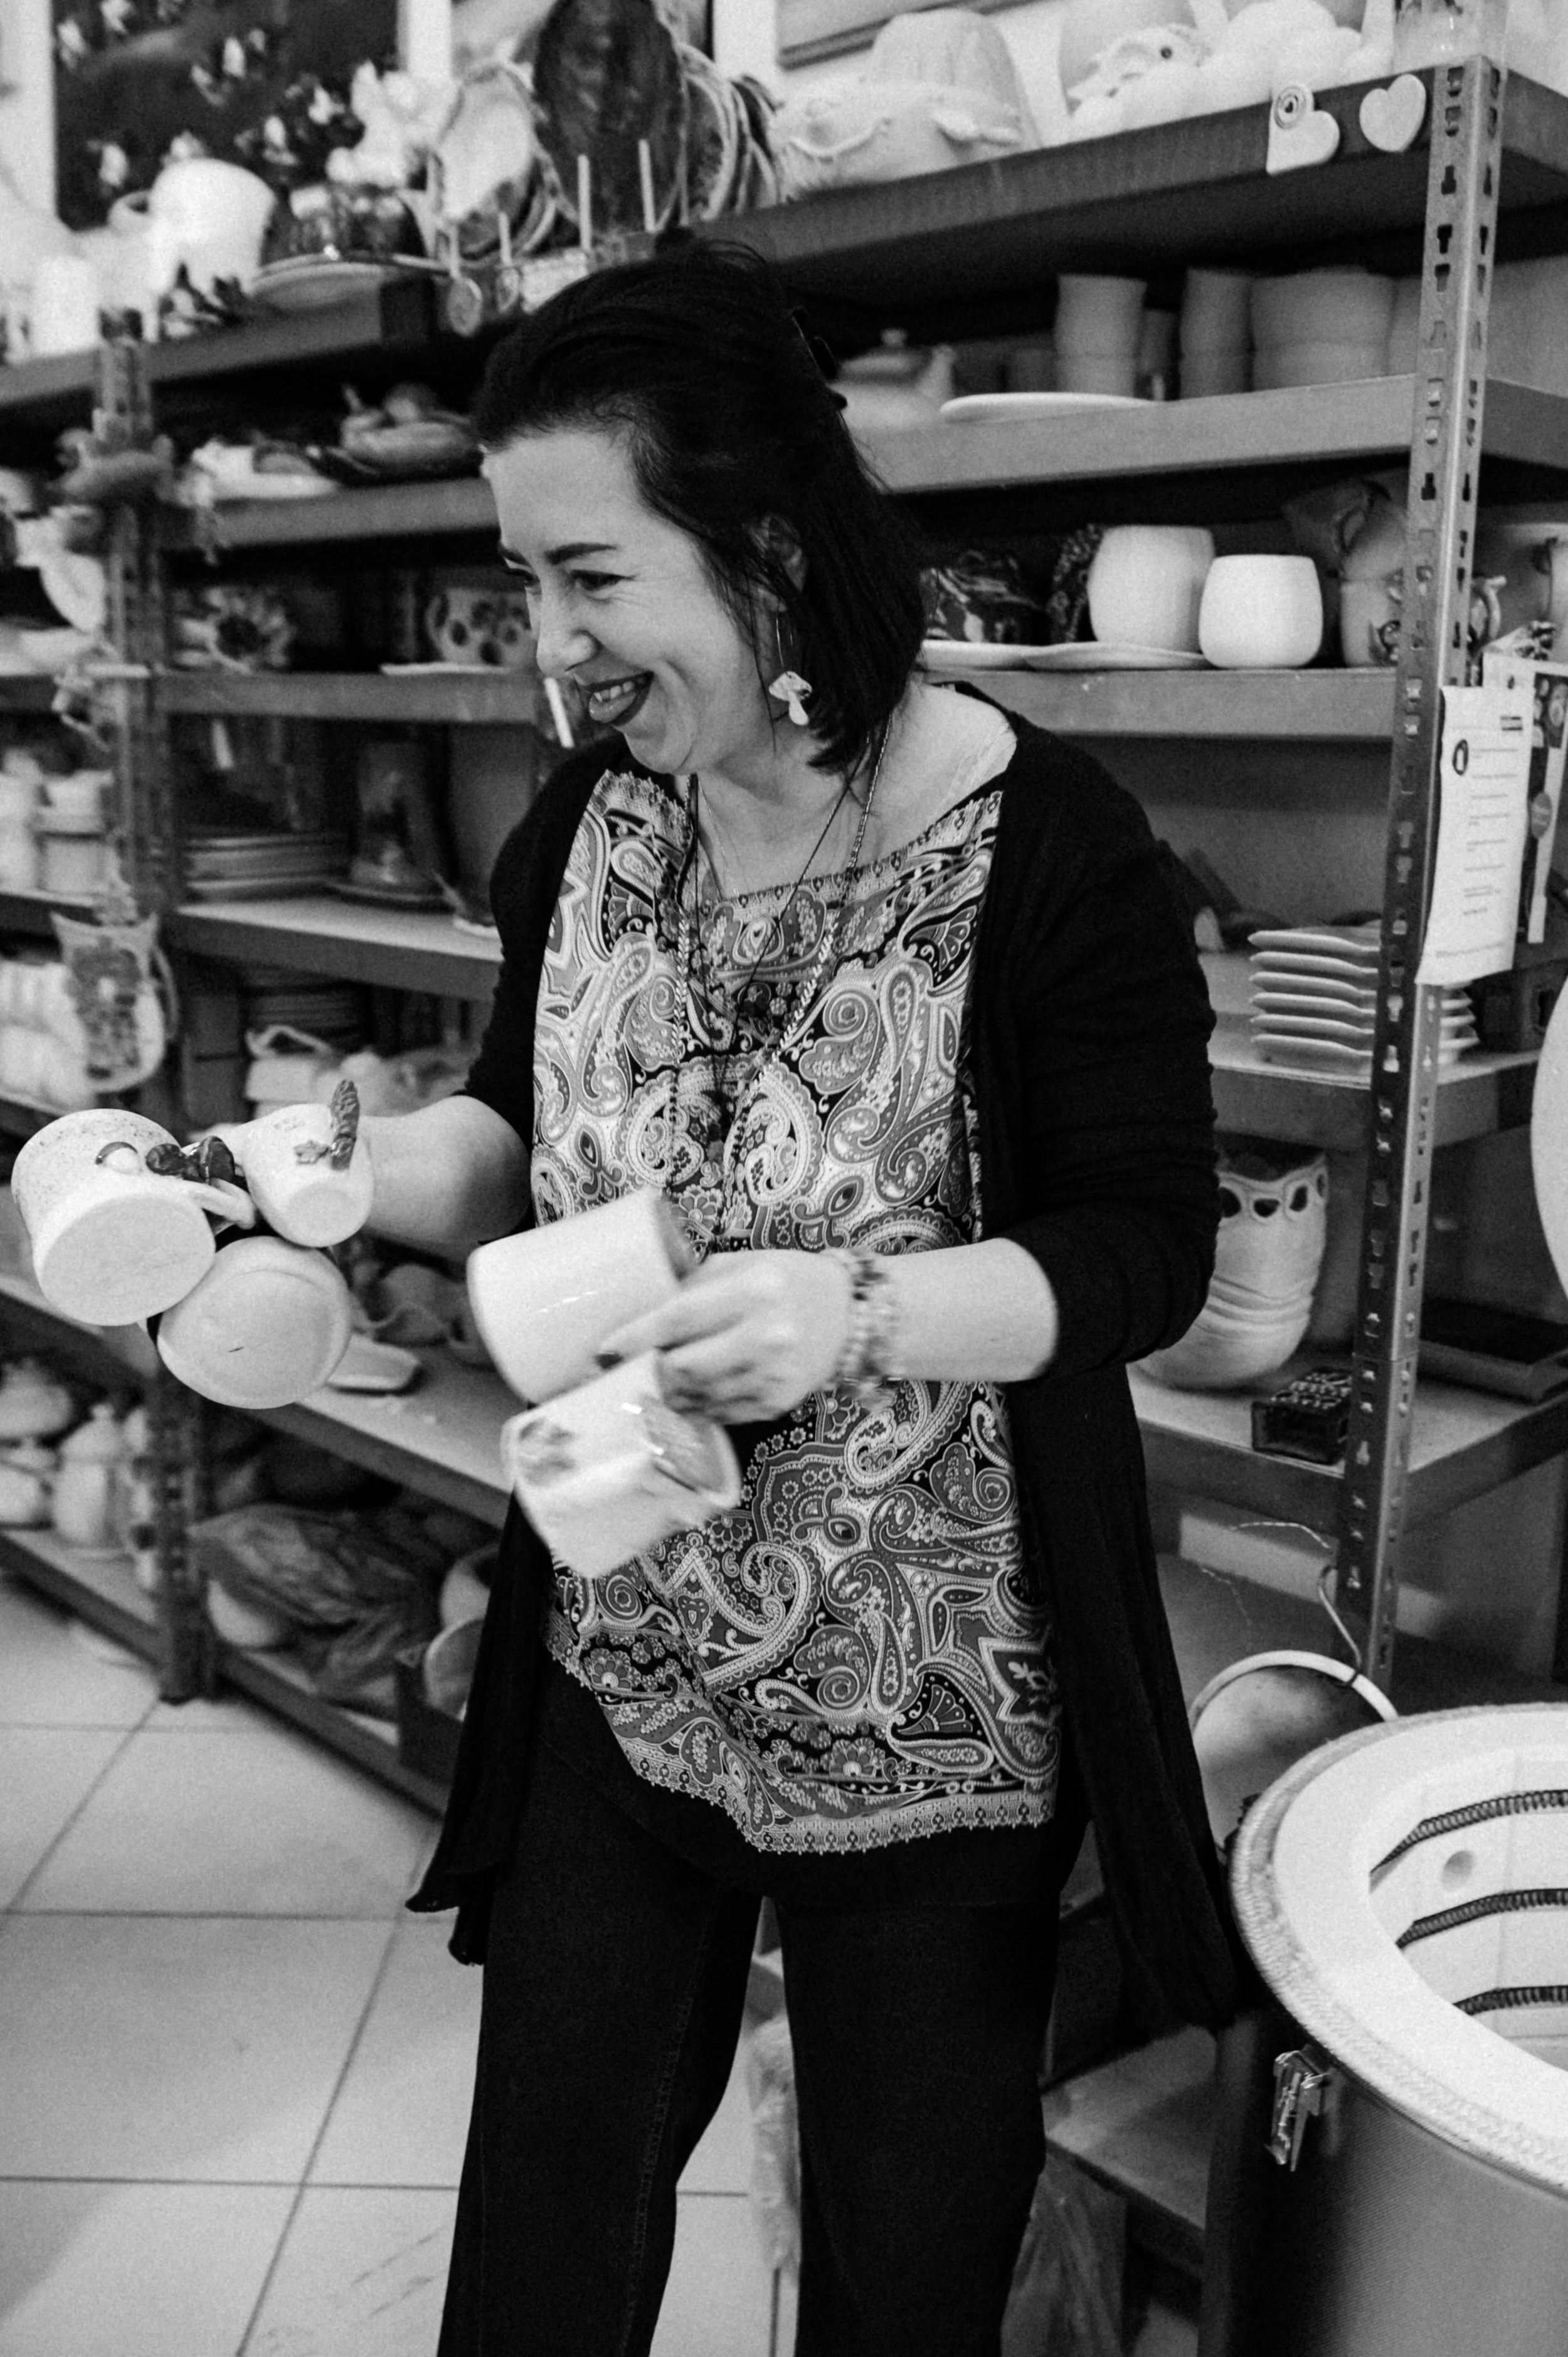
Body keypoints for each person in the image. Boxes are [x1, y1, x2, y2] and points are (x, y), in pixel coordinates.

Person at [360, 243, 1246, 2357]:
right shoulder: (592, 822)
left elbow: (1147, 1249)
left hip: (931, 1713)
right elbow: (512, 1128)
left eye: (589, 578)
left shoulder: (1051, 849)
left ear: (759, 548)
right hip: (621, 1647)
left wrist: (855, 1313)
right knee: (543, 2243)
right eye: (526, 579)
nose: (550, 648)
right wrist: (331, 1182)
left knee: (894, 2276)